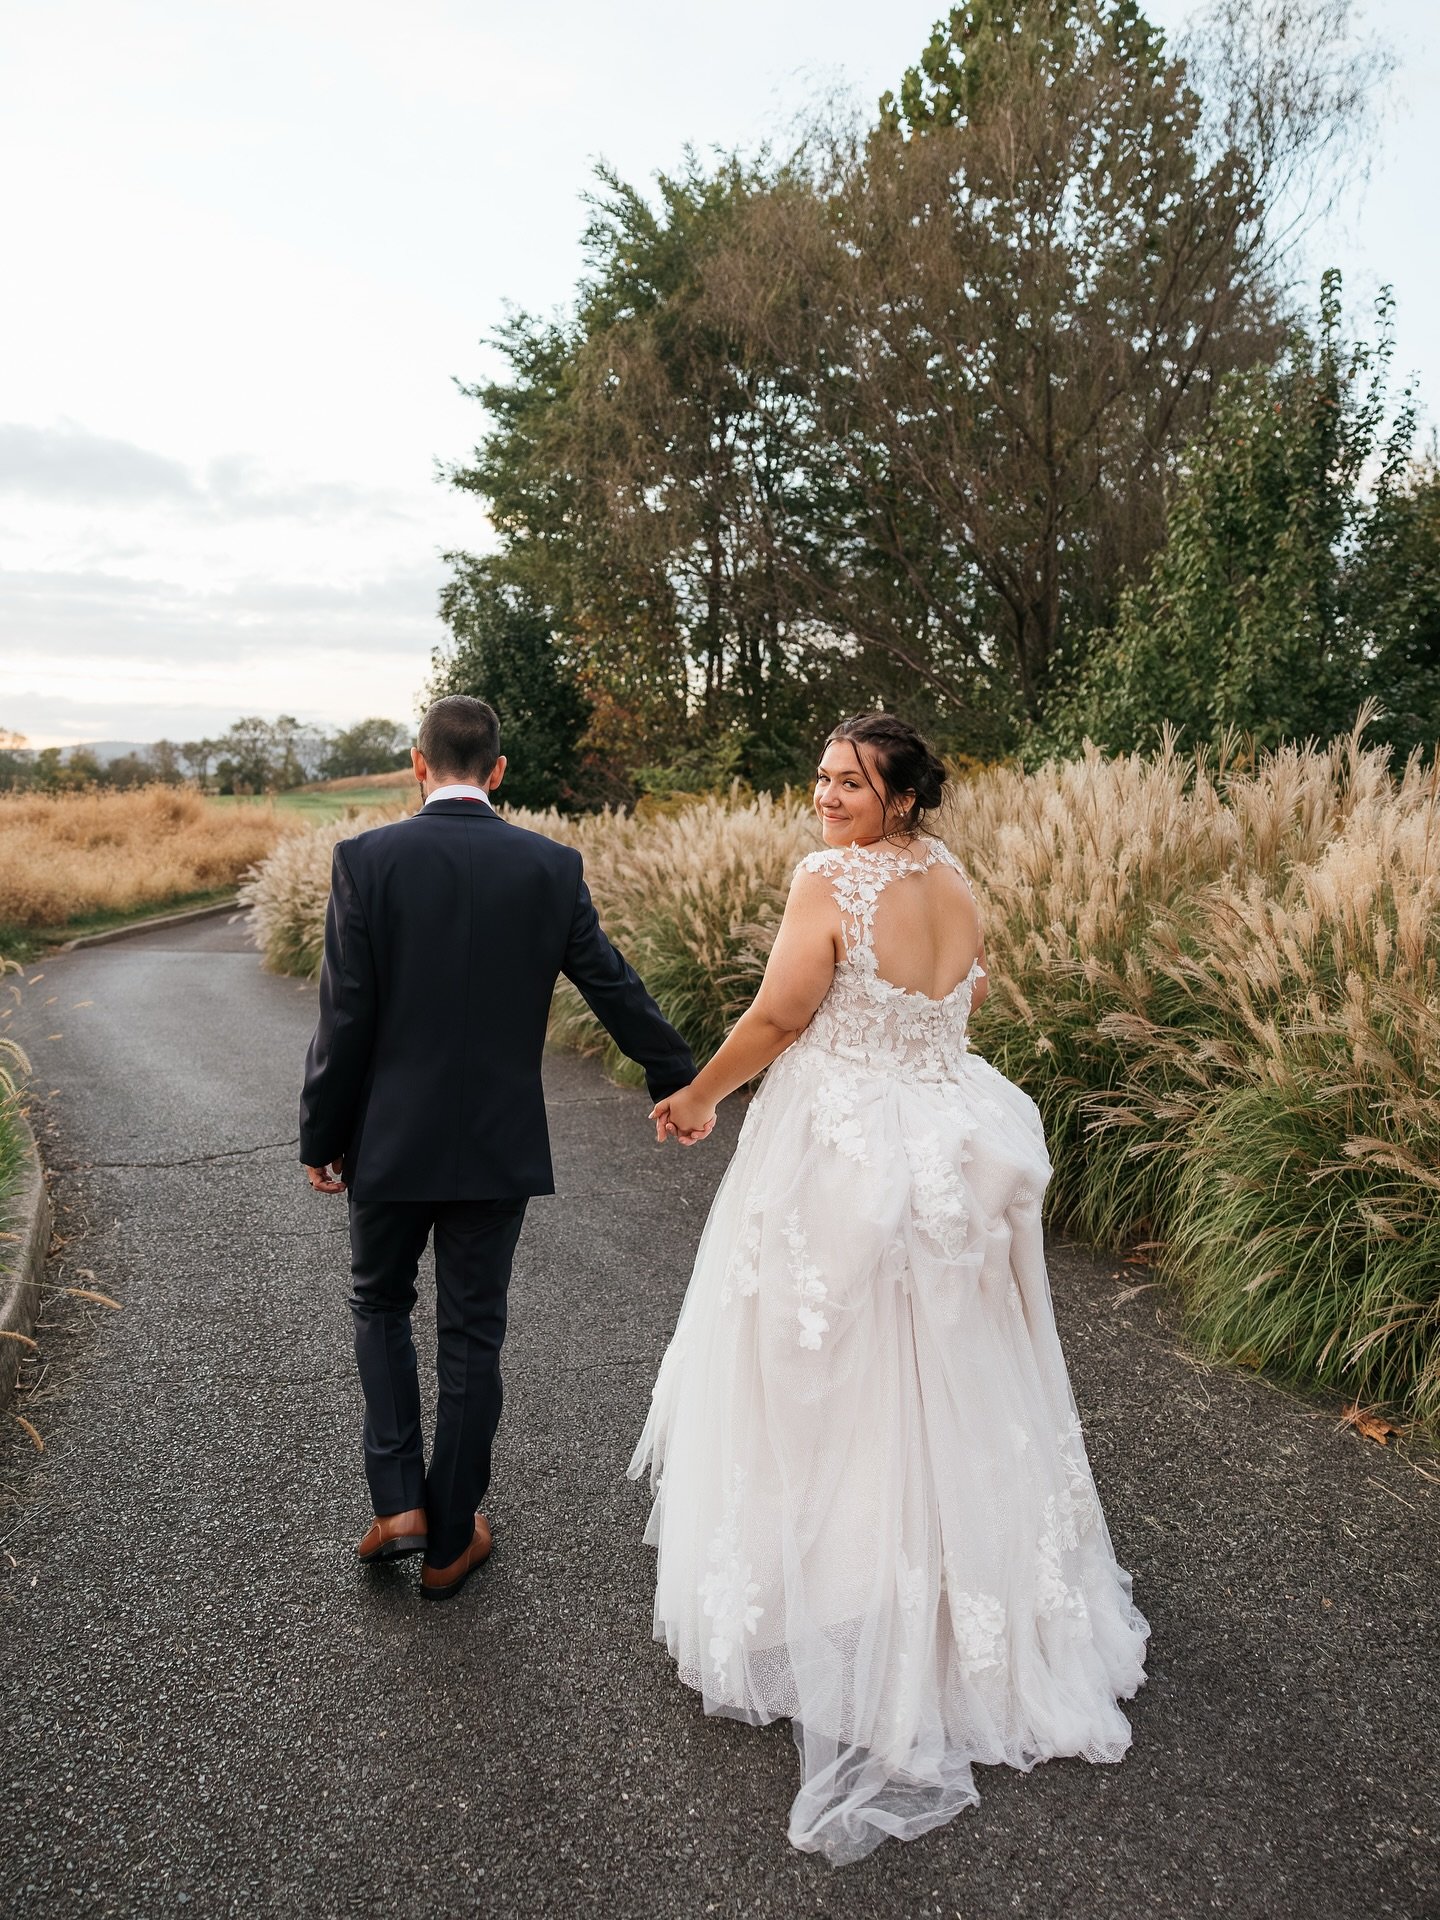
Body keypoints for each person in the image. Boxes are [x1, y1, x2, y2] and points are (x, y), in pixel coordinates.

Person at [634, 711, 1151, 1865]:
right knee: (949, 1369)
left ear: (901, 795)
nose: (825, 798)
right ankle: (944, 1592)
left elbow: (779, 1014)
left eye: (850, 782)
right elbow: (959, 1008)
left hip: (846, 1146)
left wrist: (702, 1094)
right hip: (946, 1136)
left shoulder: (828, 882)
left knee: (825, 1369)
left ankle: (851, 1600)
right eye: (819, 777)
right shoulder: (955, 880)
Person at [298, 695, 702, 1602]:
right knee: (473, 1331)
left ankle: (397, 1500)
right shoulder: (548, 866)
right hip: (495, 1144)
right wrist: (675, 1075)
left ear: (417, 764)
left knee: (378, 1303)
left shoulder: (367, 860)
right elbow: (611, 982)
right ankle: (450, 1537)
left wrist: (322, 1135)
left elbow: (345, 1017)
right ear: (499, 770)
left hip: (390, 1143)